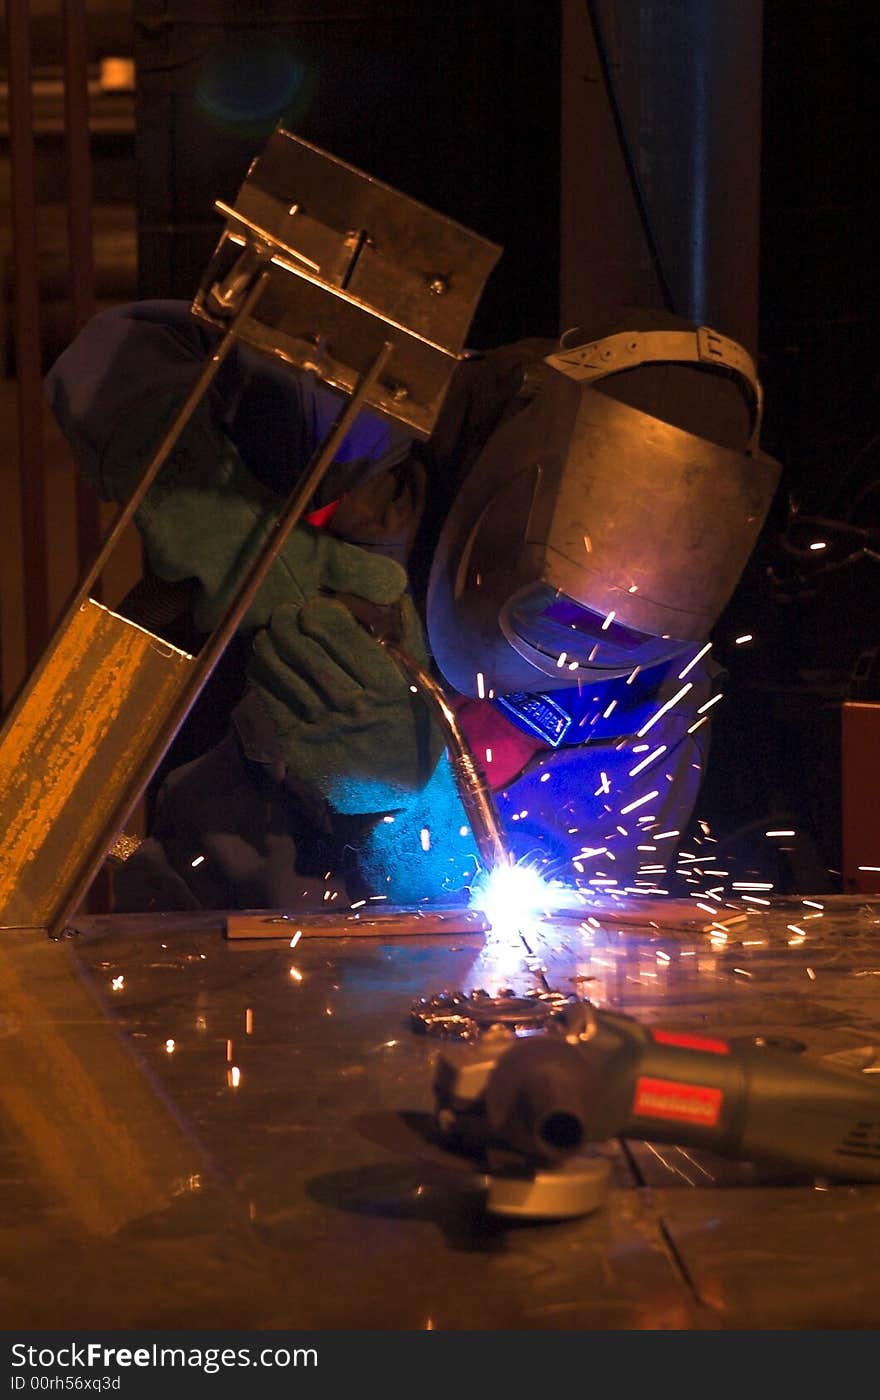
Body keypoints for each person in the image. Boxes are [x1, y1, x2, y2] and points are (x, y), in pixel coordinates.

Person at [44, 298, 772, 913]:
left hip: (407, 982)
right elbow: (118, 350)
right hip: (201, 922)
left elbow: (543, 915)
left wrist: (409, 807)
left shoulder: (657, 680)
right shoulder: (380, 439)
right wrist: (232, 530)